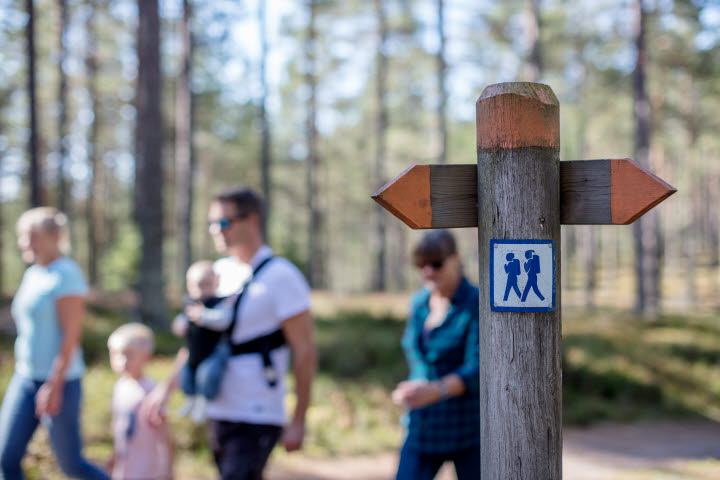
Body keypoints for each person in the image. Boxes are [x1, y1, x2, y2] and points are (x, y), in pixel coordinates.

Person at [143, 186, 317, 480]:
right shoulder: (218, 273)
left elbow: (305, 351)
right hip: (219, 406)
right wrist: (166, 389)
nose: (215, 230)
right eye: (211, 223)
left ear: (252, 221)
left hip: (258, 411)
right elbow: (200, 341)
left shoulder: (282, 276)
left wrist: (299, 419)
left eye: (223, 222)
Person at [0, 207, 109, 480]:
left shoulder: (67, 275)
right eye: (23, 237)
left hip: (60, 381)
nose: (24, 244)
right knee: (5, 457)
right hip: (25, 378)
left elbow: (71, 336)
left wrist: (54, 384)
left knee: (71, 464)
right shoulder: (33, 273)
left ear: (52, 237)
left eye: (30, 237)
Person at [392, 229, 479, 480]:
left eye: (436, 264)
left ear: (455, 259)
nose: (428, 272)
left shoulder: (475, 303)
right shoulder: (419, 303)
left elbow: (477, 367)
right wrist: (416, 386)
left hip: (467, 427)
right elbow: (416, 355)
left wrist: (436, 390)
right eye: (422, 264)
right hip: (422, 426)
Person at [107, 323, 173, 480]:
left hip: (148, 470)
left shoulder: (152, 392)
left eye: (129, 355)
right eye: (116, 354)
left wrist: (167, 469)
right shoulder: (120, 386)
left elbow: (164, 436)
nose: (121, 361)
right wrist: (114, 457)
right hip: (125, 468)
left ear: (146, 357)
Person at [172, 260, 233, 422]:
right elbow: (180, 321)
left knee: (207, 375)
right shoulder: (190, 304)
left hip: (213, 351)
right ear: (189, 286)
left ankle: (203, 402)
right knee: (186, 375)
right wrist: (180, 326)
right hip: (193, 352)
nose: (202, 290)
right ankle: (190, 399)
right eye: (198, 285)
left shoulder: (219, 303)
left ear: (216, 282)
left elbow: (224, 320)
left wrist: (204, 316)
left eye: (207, 285)